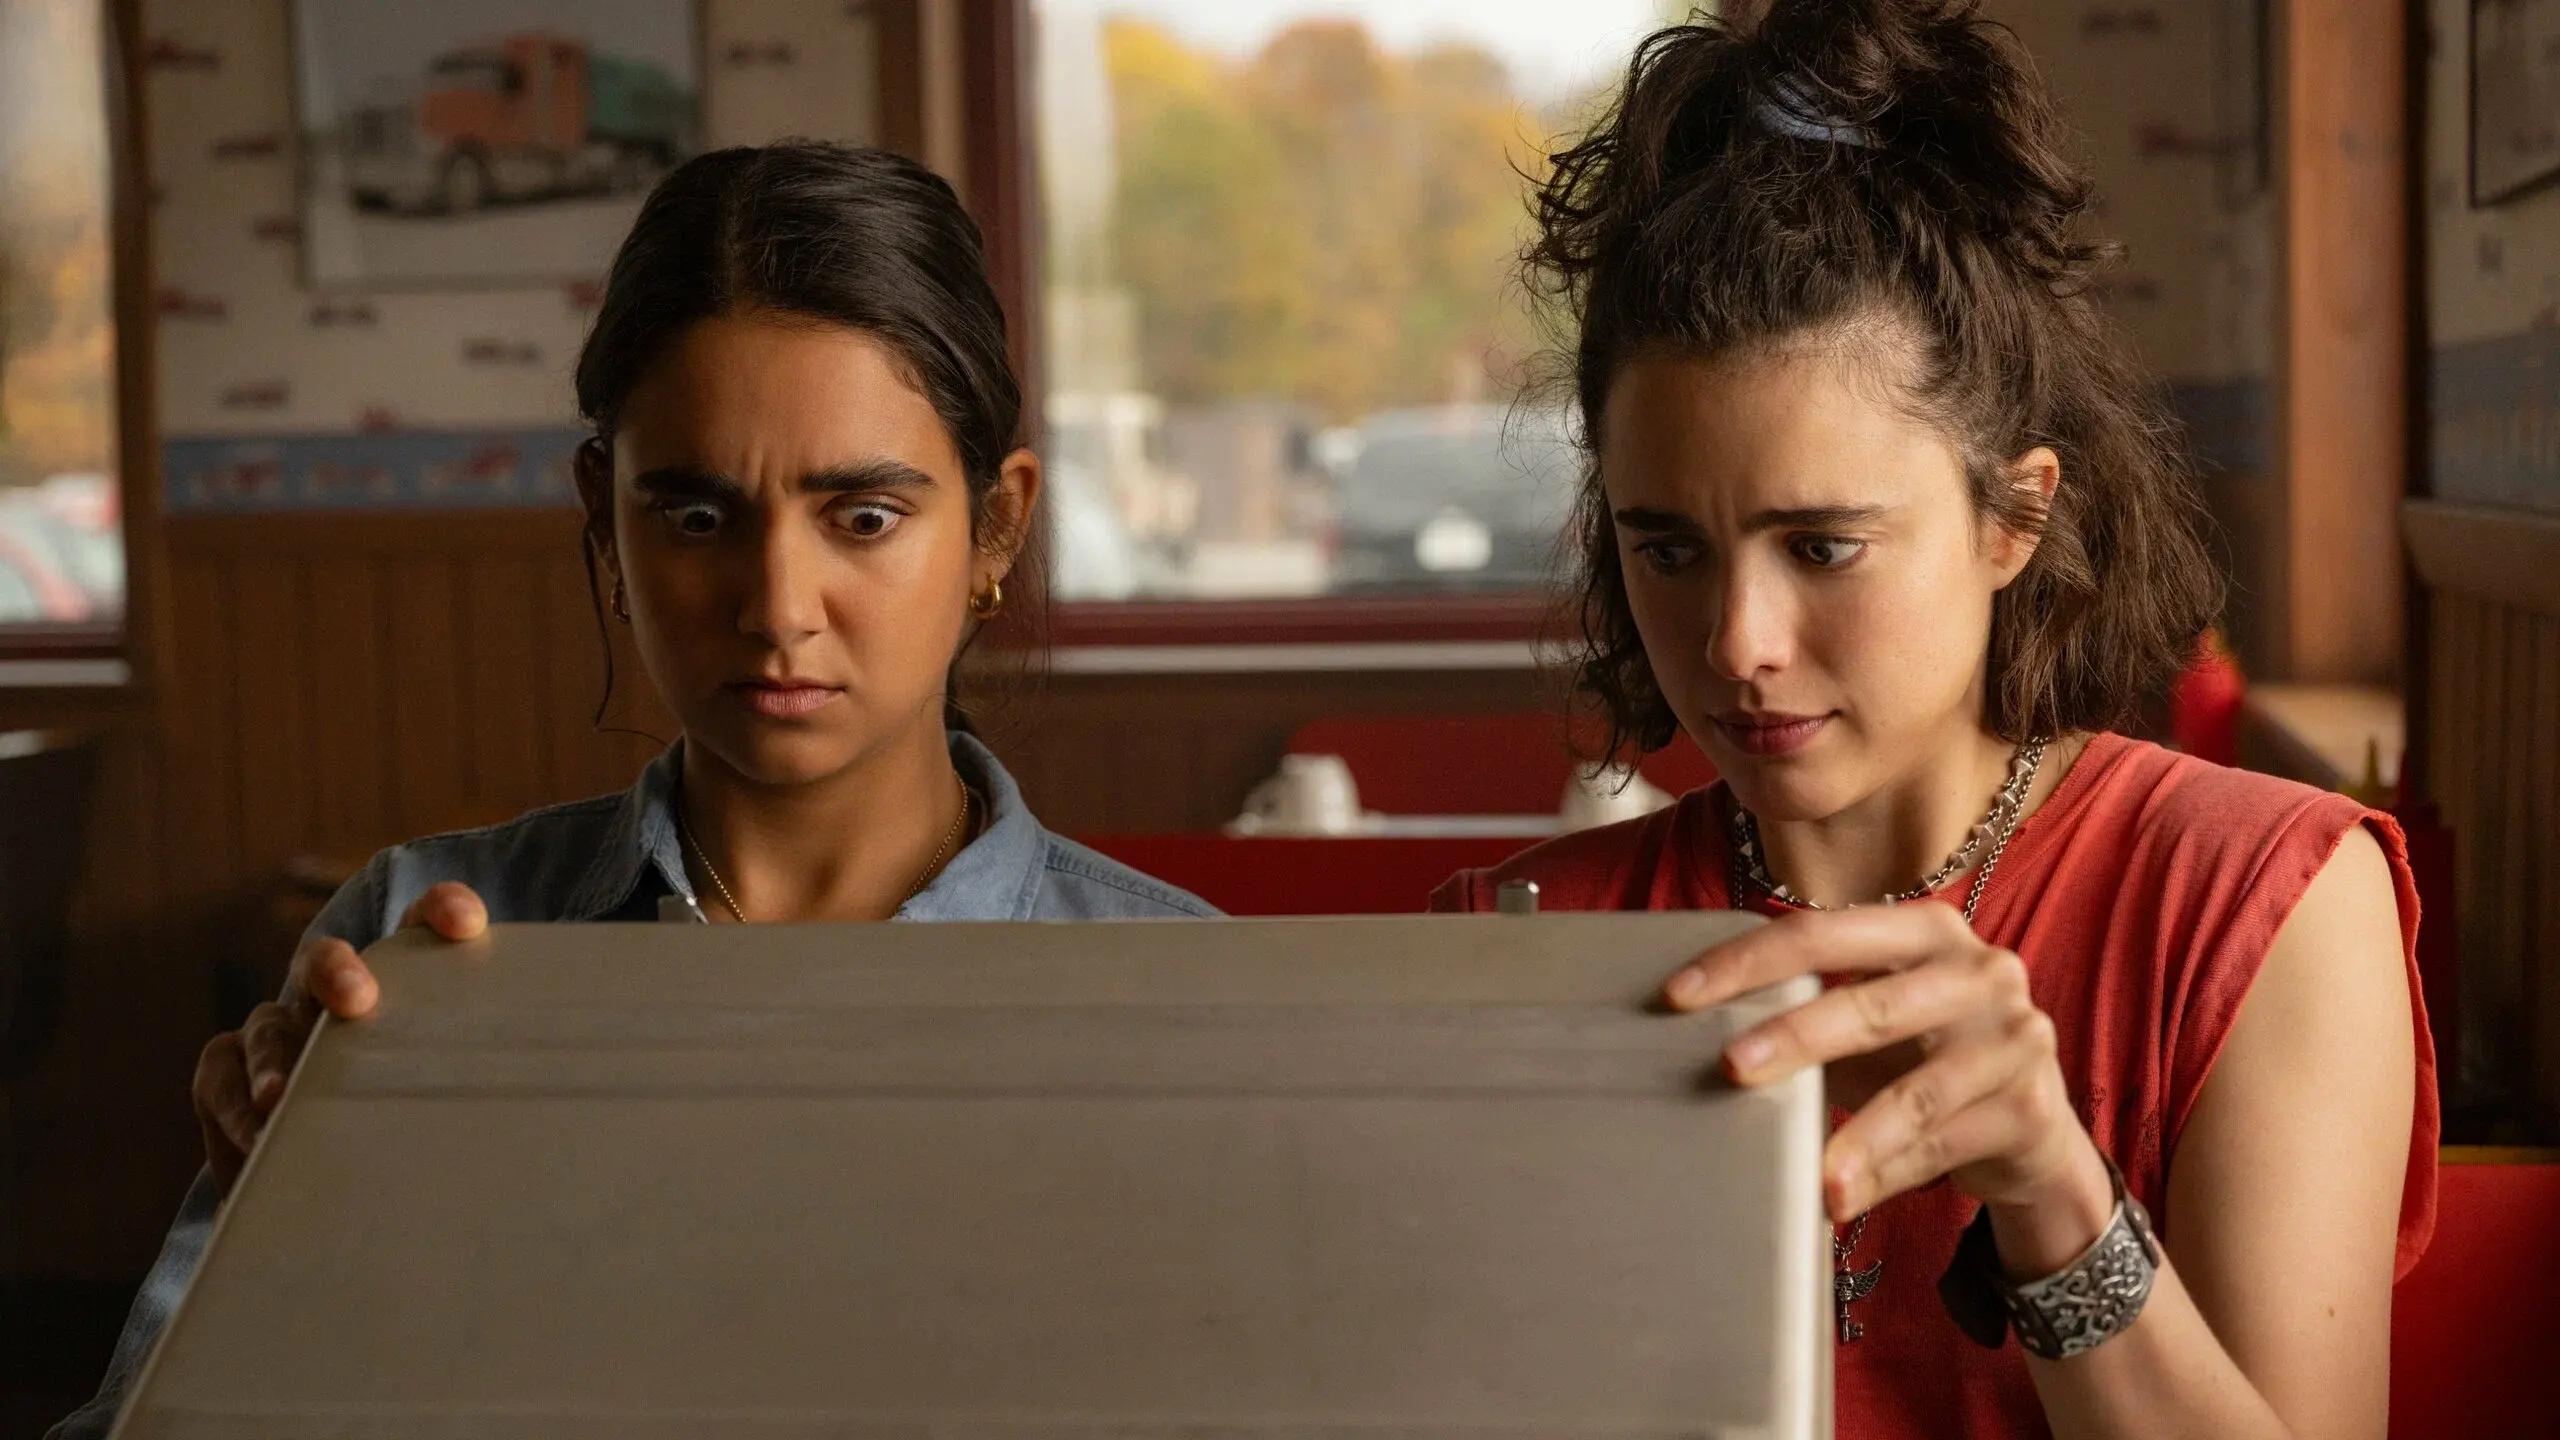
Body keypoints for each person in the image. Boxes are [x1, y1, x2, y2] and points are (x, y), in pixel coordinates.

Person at [50, 141, 1213, 1440]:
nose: (777, 609)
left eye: (864, 517)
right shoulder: (421, 951)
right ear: (606, 523)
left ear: (996, 527)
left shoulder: (1188, 1001)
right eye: (698, 518)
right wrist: (290, 1260)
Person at [1433, 4, 2434, 1437]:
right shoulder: (1525, 939)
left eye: (1823, 546)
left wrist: (2056, 1196)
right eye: (1670, 549)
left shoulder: (2256, 902)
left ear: (2014, 516)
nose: (1735, 641)